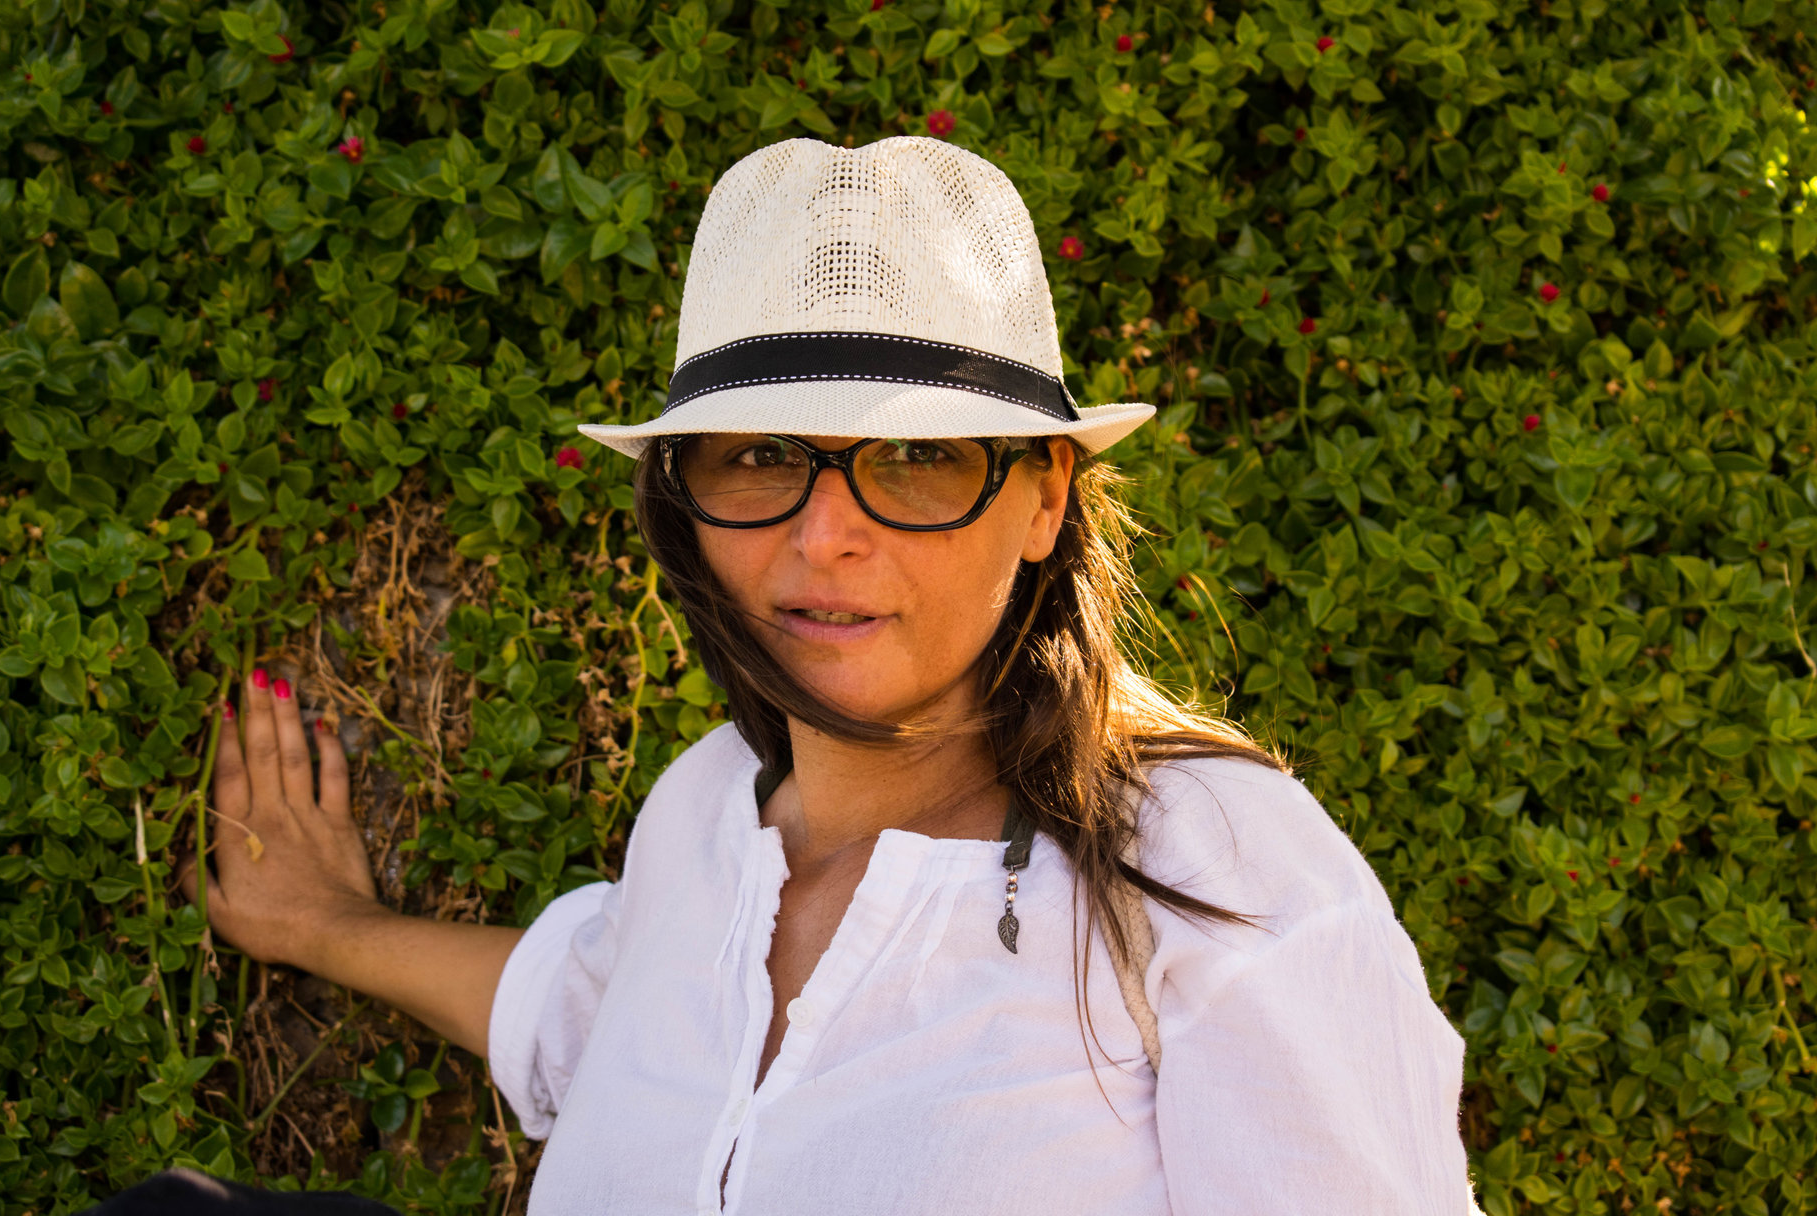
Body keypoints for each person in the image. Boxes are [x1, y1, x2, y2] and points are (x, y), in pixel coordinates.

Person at [147, 136, 1472, 1214]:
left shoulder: (1214, 866)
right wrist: (324, 926)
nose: (824, 533)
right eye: (763, 454)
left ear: (1043, 499)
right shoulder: (706, 814)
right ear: (687, 496)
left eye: (918, 459)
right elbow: (593, 1013)